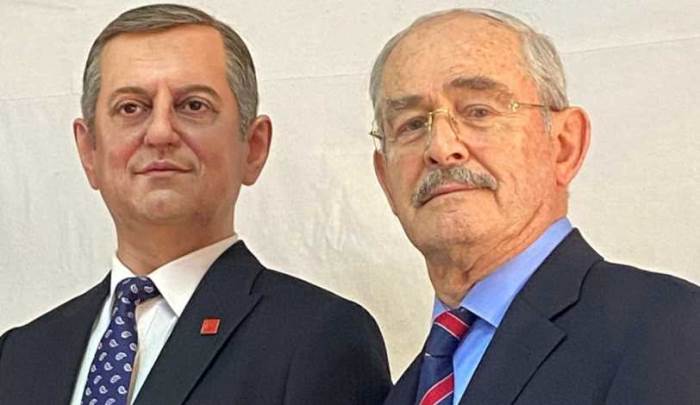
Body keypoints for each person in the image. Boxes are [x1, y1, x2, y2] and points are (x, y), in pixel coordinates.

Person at [0, 4, 391, 405]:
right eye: (131, 108)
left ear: (254, 147)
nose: (160, 132)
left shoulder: (319, 338)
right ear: (88, 151)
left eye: (193, 105)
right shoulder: (19, 357)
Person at [368, 8, 699, 405]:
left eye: (478, 111)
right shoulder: (408, 389)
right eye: (411, 124)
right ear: (386, 180)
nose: (441, 147)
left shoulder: (670, 329)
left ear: (564, 146)